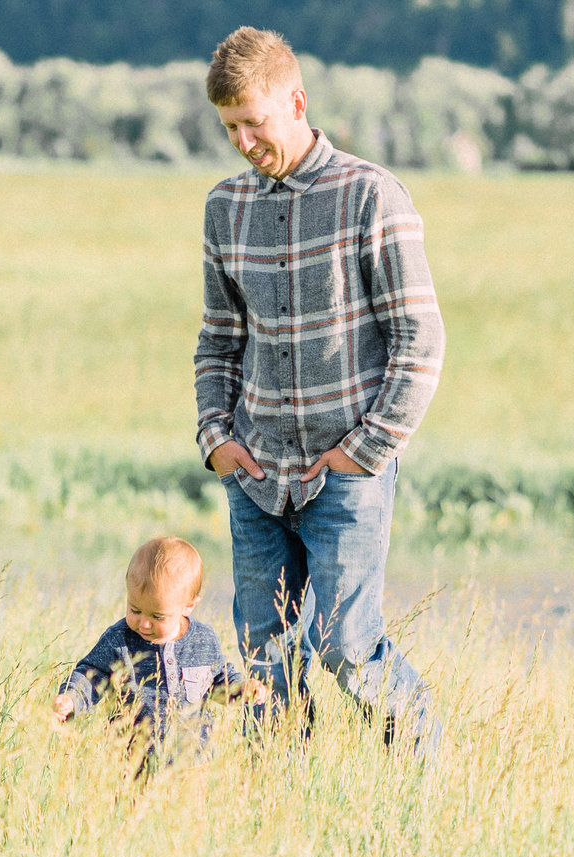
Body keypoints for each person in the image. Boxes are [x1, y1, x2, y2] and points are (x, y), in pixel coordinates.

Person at [196, 26, 446, 749]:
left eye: (255, 122)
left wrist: (364, 450)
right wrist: (217, 440)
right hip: (255, 473)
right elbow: (218, 340)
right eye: (230, 128)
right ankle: (279, 809)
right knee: (264, 664)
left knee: (344, 643)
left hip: (347, 473)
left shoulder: (371, 196)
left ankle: (425, 772)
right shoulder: (224, 207)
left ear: (296, 101)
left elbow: (420, 339)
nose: (243, 141)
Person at [51, 536, 265, 764]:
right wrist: (71, 697)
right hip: (132, 765)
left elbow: (219, 679)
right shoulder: (120, 640)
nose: (143, 623)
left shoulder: (203, 640)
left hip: (192, 766)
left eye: (157, 616)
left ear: (188, 607)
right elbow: (91, 673)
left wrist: (241, 689)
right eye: (135, 609)